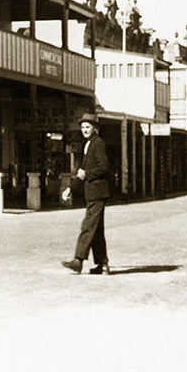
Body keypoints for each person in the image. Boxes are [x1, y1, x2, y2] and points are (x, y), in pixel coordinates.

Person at [62, 114, 111, 275]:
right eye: (82, 127)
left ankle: (78, 260)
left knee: (88, 226)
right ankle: (103, 264)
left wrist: (86, 174)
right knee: (96, 229)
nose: (85, 130)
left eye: (88, 127)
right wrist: (71, 188)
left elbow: (104, 167)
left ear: (95, 128)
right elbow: (82, 171)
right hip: (92, 193)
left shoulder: (98, 143)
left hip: (97, 192)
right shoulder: (89, 144)